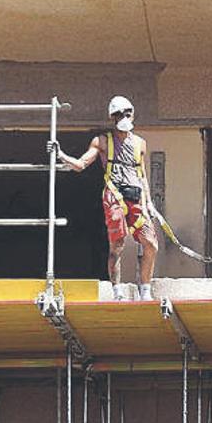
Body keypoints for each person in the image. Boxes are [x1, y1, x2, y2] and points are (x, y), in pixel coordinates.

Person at [48, 96, 159, 301]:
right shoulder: (102, 141)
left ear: (132, 113)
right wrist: (61, 154)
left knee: (151, 243)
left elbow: (142, 175)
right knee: (117, 245)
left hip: (136, 197)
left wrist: (149, 203)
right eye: (118, 114)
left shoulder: (140, 144)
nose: (123, 117)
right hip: (115, 196)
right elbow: (81, 164)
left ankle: (145, 290)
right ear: (112, 118)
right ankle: (117, 292)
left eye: (126, 113)